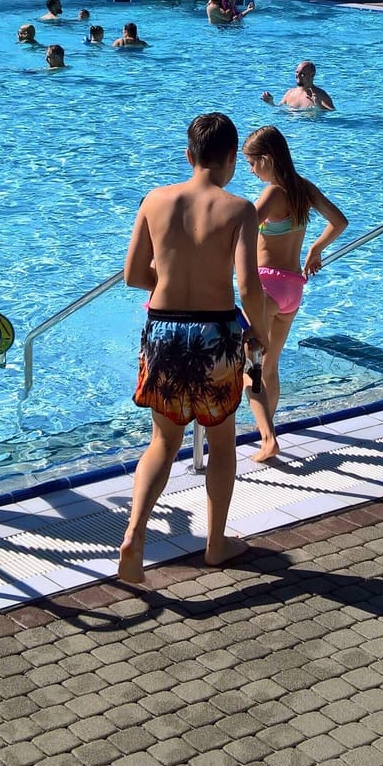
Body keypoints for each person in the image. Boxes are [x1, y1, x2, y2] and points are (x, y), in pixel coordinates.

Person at [117, 113, 270, 584]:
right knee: (222, 441)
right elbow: (247, 284)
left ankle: (135, 532)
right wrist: (257, 332)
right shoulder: (240, 208)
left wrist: (168, 285)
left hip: (162, 328)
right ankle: (216, 544)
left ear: (188, 156)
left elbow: (132, 276)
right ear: (230, 158)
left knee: (162, 441)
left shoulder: (155, 200)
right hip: (215, 334)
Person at [241, 125, 348, 463]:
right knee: (270, 366)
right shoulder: (303, 189)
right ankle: (266, 432)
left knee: (250, 367)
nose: (250, 170)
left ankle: (268, 438)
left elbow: (241, 232)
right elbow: (339, 222)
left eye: (252, 163)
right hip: (291, 290)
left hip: (267, 287)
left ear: (267, 159)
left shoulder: (272, 193)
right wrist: (315, 248)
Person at [262, 60, 334, 111]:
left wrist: (319, 106)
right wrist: (270, 103)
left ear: (312, 75)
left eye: (302, 74)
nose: (298, 76)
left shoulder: (320, 95)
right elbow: (279, 108)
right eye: (297, 72)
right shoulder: (290, 92)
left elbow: (332, 112)